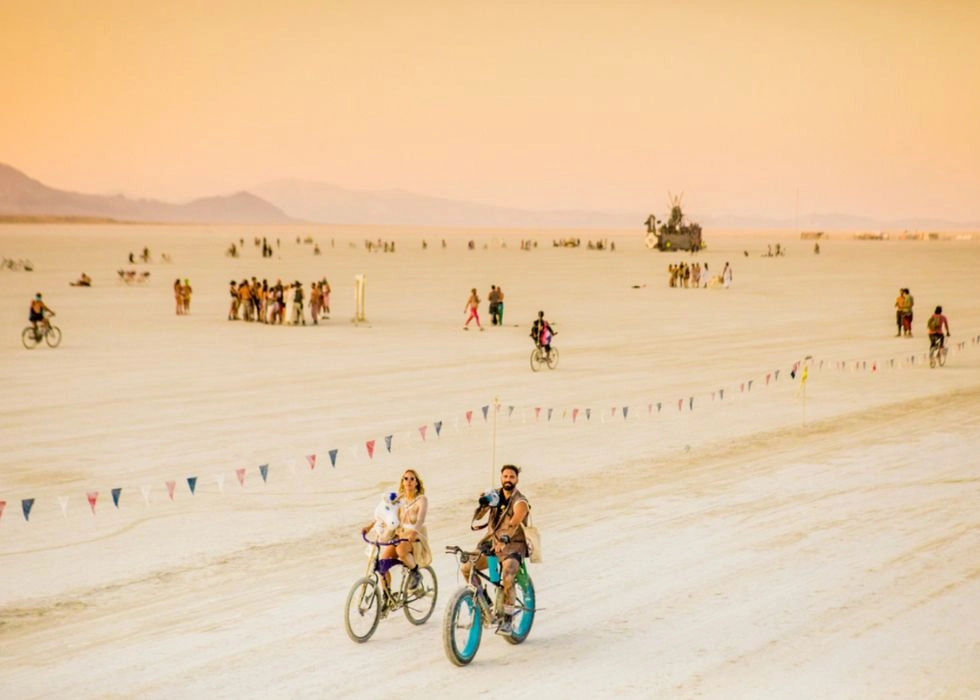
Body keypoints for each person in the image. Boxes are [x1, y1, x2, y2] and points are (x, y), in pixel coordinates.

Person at [463, 465, 531, 635]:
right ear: (501, 478)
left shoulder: (520, 501)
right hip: (492, 543)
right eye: (505, 476)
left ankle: (508, 620)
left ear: (517, 479)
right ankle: (486, 605)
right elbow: (478, 517)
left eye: (512, 477)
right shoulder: (494, 496)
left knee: (508, 575)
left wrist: (505, 539)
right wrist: (483, 504)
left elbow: (515, 522)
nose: (508, 479)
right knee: (466, 567)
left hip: (513, 545)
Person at [361, 469, 429, 595]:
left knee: (400, 550)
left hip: (415, 536)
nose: (408, 481)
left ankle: (415, 573)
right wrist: (370, 527)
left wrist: (415, 531)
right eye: (405, 478)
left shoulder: (421, 500)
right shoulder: (399, 498)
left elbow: (420, 520)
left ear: (417, 483)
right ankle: (387, 596)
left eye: (412, 479)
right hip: (401, 535)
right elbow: (384, 514)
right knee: (382, 563)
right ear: (402, 482)